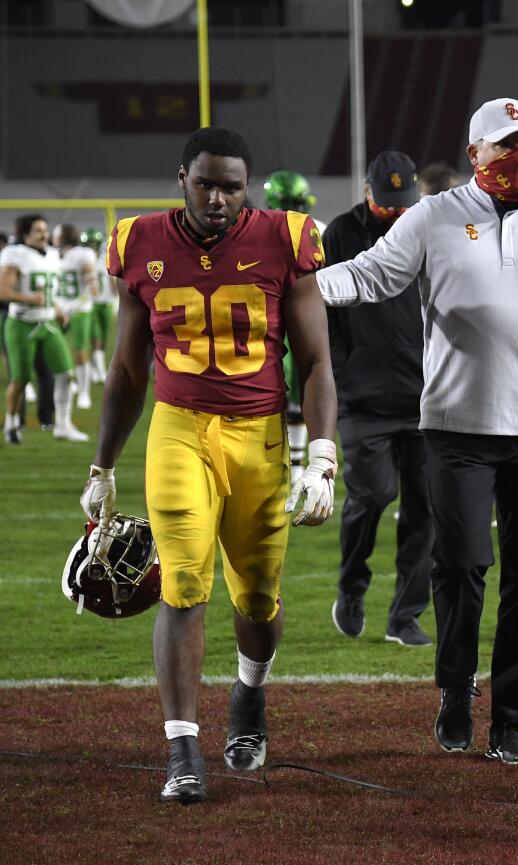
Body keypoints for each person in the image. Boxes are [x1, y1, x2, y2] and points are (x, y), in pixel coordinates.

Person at [309, 97, 518, 767]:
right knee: (459, 567)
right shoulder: (434, 215)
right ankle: (456, 689)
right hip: (456, 427)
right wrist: (303, 288)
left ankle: (512, 719)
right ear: (474, 154)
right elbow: (372, 274)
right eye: (504, 144)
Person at [78, 127, 336, 804]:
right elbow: (129, 369)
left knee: (256, 595)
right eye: (205, 184)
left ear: (247, 186)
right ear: (182, 178)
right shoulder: (140, 242)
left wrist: (323, 454)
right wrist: (103, 464)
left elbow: (315, 361)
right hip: (180, 428)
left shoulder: (286, 237)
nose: (218, 199)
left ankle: (249, 692)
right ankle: (183, 747)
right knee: (183, 582)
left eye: (232, 186)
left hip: (260, 434)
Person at [325, 150, 434, 647]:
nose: (396, 212)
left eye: (403, 203)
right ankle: (351, 587)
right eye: (388, 203)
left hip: (426, 397)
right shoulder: (339, 235)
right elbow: (322, 312)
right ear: (368, 191)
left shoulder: (429, 229)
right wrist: (340, 375)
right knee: (372, 495)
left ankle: (405, 614)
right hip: (363, 397)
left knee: (426, 507)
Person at [1, 214, 87, 443]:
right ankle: (10, 422)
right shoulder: (14, 254)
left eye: (45, 230)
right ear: (25, 234)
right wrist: (29, 298)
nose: (45, 234)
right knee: (20, 379)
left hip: (48, 322)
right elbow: (3, 292)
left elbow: (48, 293)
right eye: (39, 230)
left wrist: (57, 309)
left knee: (65, 373)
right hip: (21, 323)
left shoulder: (51, 255)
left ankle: (62, 425)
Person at [264, 169, 325, 481]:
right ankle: (298, 463)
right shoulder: (317, 229)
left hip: (271, 328)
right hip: (299, 325)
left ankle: (296, 463)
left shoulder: (254, 231)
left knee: (290, 394)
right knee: (300, 391)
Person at [54, 224, 100, 410]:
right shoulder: (51, 254)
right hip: (58, 309)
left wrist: (71, 308)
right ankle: (71, 382)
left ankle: (84, 392)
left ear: (64, 236)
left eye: (56, 234)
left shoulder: (83, 254)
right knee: (59, 351)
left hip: (79, 308)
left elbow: (93, 289)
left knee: (80, 351)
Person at [80, 228, 116, 383]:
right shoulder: (83, 260)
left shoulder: (104, 259)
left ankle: (97, 369)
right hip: (91, 303)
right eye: (90, 243)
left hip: (106, 302)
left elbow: (112, 279)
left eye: (94, 242)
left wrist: (115, 294)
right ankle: (100, 371)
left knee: (104, 338)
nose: (92, 246)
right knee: (95, 338)